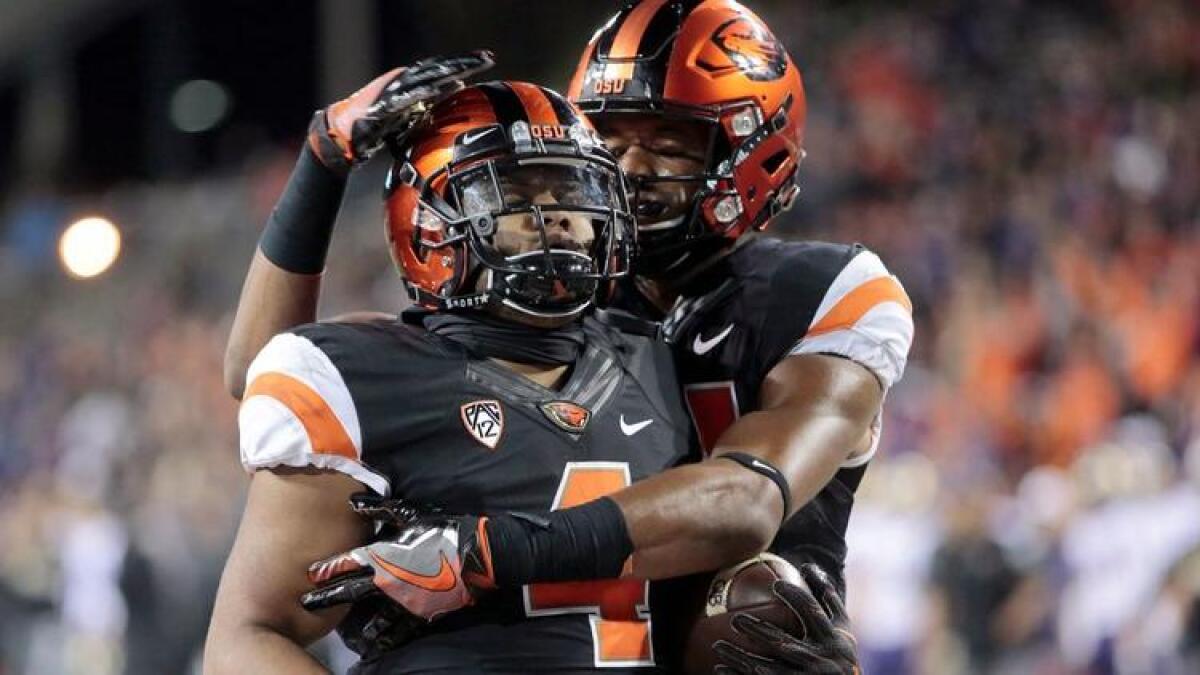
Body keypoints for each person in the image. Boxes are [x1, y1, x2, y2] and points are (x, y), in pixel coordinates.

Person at [223, 2, 910, 671]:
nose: (633, 167)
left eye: (670, 143)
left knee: (761, 606)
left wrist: (480, 551)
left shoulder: (824, 292)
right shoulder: (561, 307)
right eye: (613, 139)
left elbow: (743, 502)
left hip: (738, 640)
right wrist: (322, 162)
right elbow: (268, 375)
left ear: (758, 145)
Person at [204, 81, 697, 673]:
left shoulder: (661, 357)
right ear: (429, 224)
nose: (560, 218)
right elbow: (249, 636)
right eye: (518, 194)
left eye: (572, 190)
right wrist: (323, 161)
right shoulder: (366, 377)